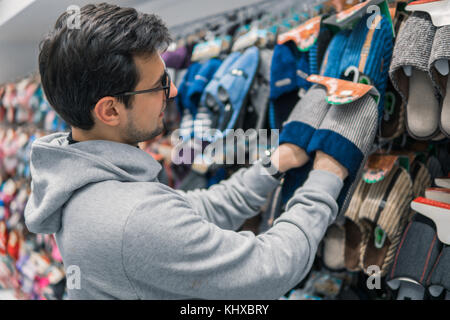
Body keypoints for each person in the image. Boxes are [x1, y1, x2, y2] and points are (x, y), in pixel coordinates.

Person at [25, 3, 351, 300]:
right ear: (109, 111)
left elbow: (197, 209)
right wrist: (329, 172)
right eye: (159, 86)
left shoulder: (81, 183)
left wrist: (274, 164)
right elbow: (271, 268)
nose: (175, 91)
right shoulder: (132, 218)